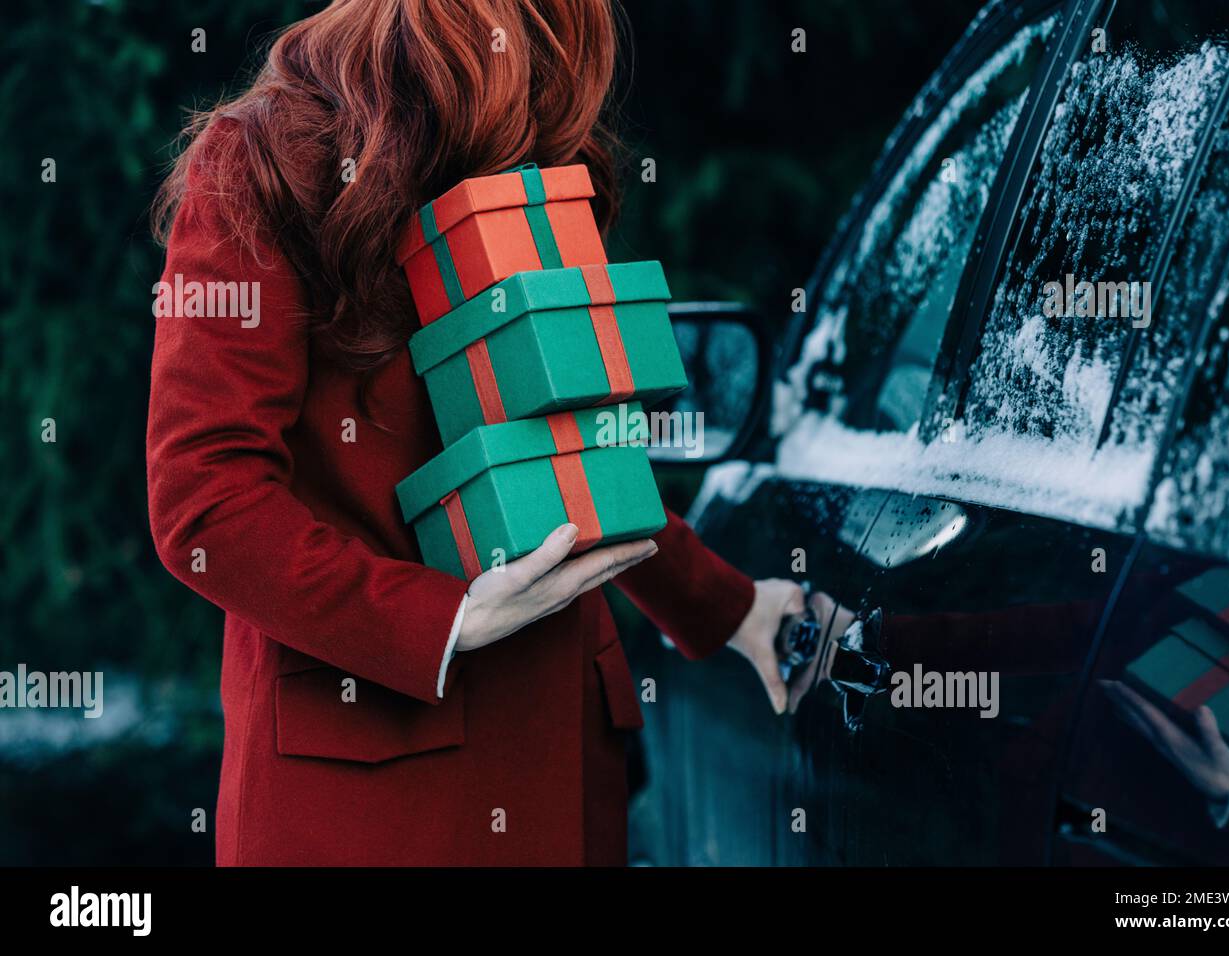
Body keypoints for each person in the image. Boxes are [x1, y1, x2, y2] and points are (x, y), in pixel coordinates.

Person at [146, 0, 801, 866]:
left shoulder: (544, 148)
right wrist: (442, 621)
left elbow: (562, 452)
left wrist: (731, 607)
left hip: (561, 765)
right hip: (372, 794)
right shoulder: (266, 156)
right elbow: (206, 502)